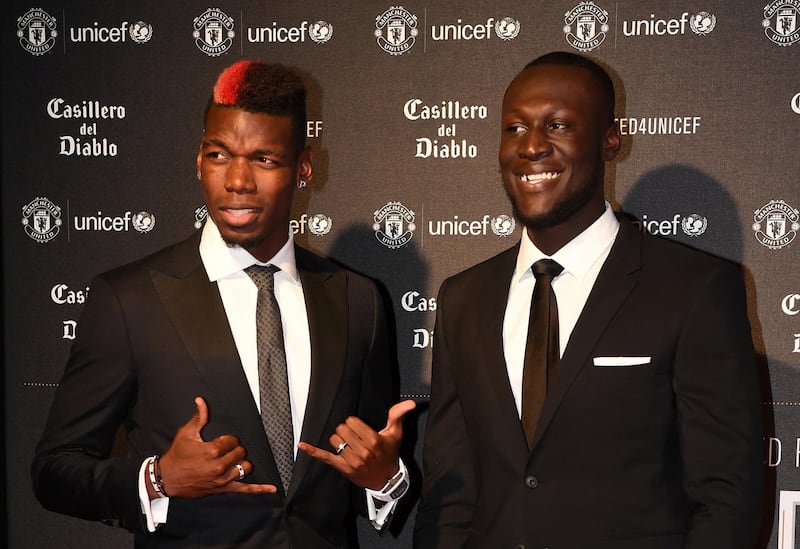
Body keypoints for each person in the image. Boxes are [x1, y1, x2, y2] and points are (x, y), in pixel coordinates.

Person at [32, 60, 415, 548]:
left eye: (264, 159)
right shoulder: (128, 299)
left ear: (303, 169)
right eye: (219, 155)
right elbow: (54, 471)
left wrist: (384, 479)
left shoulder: (358, 300)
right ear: (198, 159)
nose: (237, 180)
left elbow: (368, 465)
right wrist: (157, 480)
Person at [413, 51, 763, 549]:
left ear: (610, 139)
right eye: (514, 128)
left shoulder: (694, 289)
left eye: (557, 126)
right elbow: (450, 494)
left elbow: (727, 498)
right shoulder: (464, 298)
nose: (531, 146)